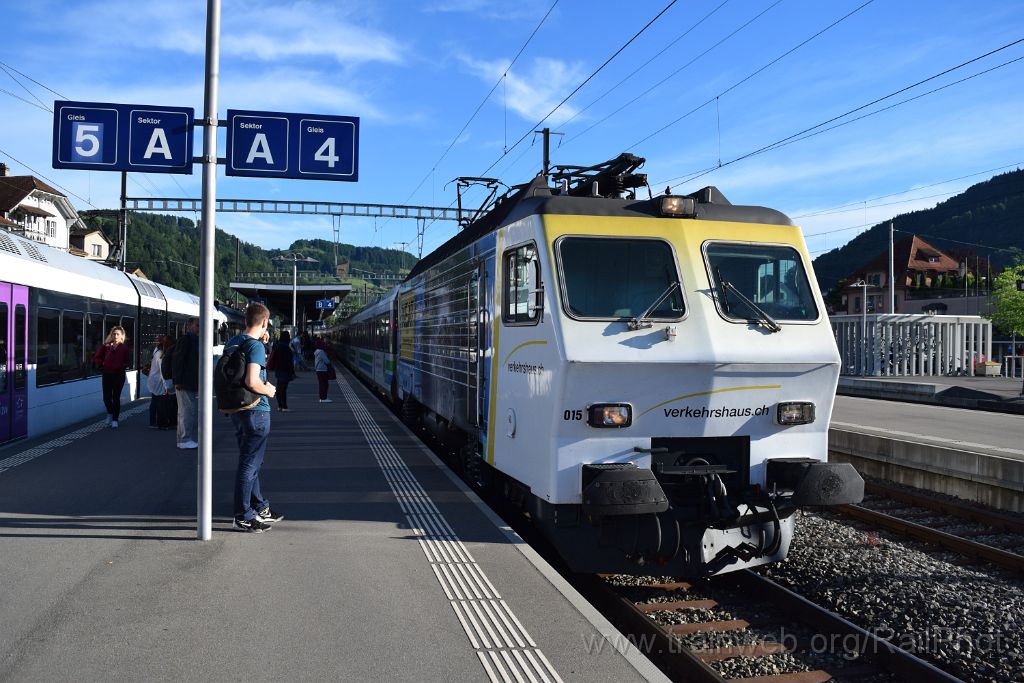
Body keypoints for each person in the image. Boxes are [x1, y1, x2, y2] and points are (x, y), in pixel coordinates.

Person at [225, 303, 281, 533]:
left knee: (251, 461)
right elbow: (251, 381)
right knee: (249, 464)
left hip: (237, 409)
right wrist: (269, 390)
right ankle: (243, 515)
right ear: (265, 322)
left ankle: (259, 506)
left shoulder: (233, 342)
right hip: (257, 410)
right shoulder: (255, 347)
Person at [93, 326, 131, 428]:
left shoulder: (124, 348)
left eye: (117, 334)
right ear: (111, 335)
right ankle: (110, 413)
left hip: (119, 375)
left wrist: (120, 366)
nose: (115, 336)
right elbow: (97, 357)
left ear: (121, 336)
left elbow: (127, 362)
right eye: (114, 334)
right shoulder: (106, 346)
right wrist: (102, 363)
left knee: (116, 397)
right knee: (106, 397)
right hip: (107, 374)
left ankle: (115, 419)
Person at [172, 318, 200, 450]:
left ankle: (184, 438)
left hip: (189, 381)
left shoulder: (194, 340)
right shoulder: (186, 340)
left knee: (186, 410)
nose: (200, 328)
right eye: (197, 325)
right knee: (187, 411)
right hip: (184, 382)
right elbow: (178, 360)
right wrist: (178, 381)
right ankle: (184, 439)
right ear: (189, 326)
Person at [272, 331, 297, 412]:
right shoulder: (287, 348)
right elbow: (290, 362)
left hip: (278, 370)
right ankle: (284, 407)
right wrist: (293, 372)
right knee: (283, 389)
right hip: (285, 371)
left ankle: (279, 406)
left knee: (279, 389)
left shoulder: (277, 346)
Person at [314, 338, 333, 403]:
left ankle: (322, 398)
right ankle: (323, 398)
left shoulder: (317, 351)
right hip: (322, 370)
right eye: (323, 344)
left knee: (322, 384)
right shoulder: (321, 352)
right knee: (324, 385)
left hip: (318, 370)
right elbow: (327, 361)